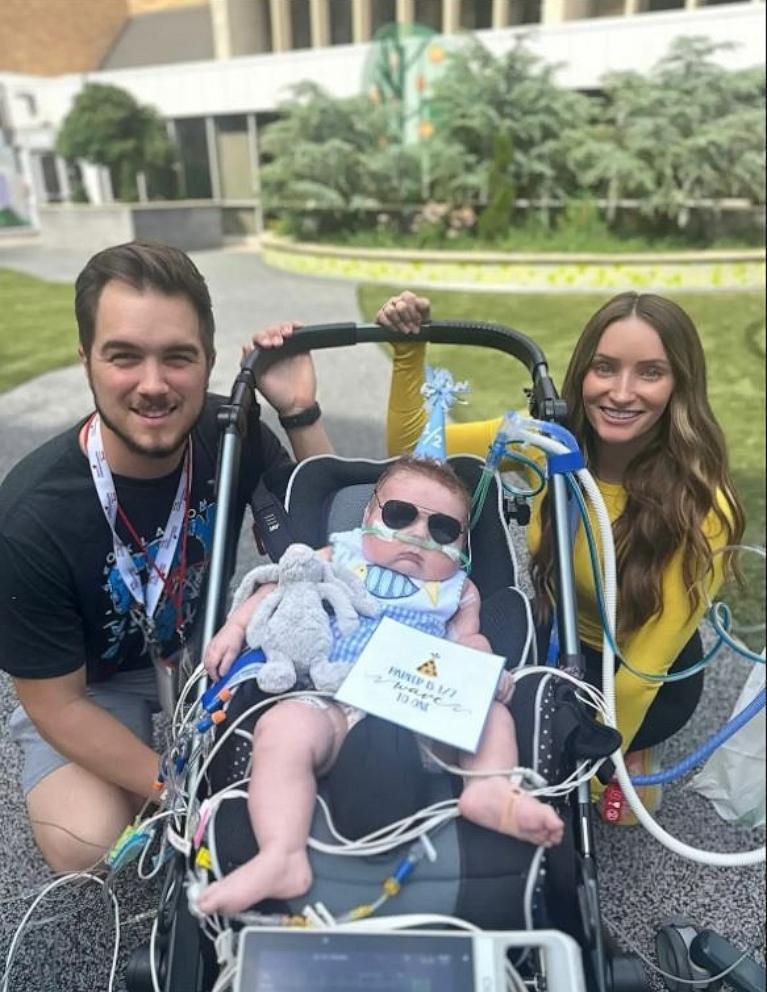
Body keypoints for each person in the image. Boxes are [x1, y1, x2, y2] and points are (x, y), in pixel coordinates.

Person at [0, 240, 331, 872]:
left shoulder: (229, 432)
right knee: (84, 839)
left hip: (210, 647)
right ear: (87, 361)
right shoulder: (28, 517)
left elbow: (325, 539)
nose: (153, 385)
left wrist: (297, 408)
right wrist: (179, 791)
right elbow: (56, 703)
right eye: (124, 356)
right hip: (94, 682)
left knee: (317, 755)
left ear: (207, 361)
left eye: (177, 358)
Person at [376, 290, 745, 824]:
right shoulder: (545, 446)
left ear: (679, 386)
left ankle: (632, 753)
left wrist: (585, 766)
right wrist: (409, 352)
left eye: (650, 373)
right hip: (557, 638)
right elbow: (414, 447)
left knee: (556, 779)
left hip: (646, 675)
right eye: (605, 368)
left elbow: (640, 677)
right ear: (581, 374)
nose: (621, 392)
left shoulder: (705, 507)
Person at [198, 455, 564, 915]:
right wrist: (234, 628)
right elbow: (276, 590)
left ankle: (489, 787)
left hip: (422, 708)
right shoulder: (339, 557)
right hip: (335, 699)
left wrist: (481, 668)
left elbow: (470, 638)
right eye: (399, 515)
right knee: (283, 727)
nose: (417, 535)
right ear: (369, 516)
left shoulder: (458, 589)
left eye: (443, 530)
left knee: (492, 715)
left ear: (462, 544)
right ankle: (282, 854)